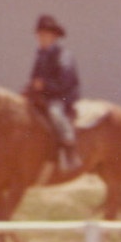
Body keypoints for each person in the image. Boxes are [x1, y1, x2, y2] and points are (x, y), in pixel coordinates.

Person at [28, 14, 81, 172]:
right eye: (39, 35)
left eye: (44, 35)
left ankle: (70, 150)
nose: (40, 38)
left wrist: (43, 85)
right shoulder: (40, 54)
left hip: (63, 95)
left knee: (55, 113)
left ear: (53, 36)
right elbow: (34, 78)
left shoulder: (63, 56)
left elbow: (64, 83)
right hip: (46, 95)